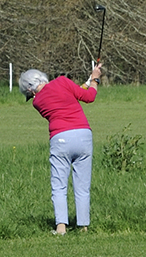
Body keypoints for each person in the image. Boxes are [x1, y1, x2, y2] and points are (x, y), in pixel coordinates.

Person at [19, 62, 103, 234]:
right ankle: (83, 227)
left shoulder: (38, 102)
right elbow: (88, 97)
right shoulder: (63, 82)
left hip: (61, 139)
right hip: (84, 135)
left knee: (59, 186)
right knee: (82, 186)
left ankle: (61, 228)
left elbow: (60, 95)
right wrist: (95, 79)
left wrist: (89, 80)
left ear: (31, 90)